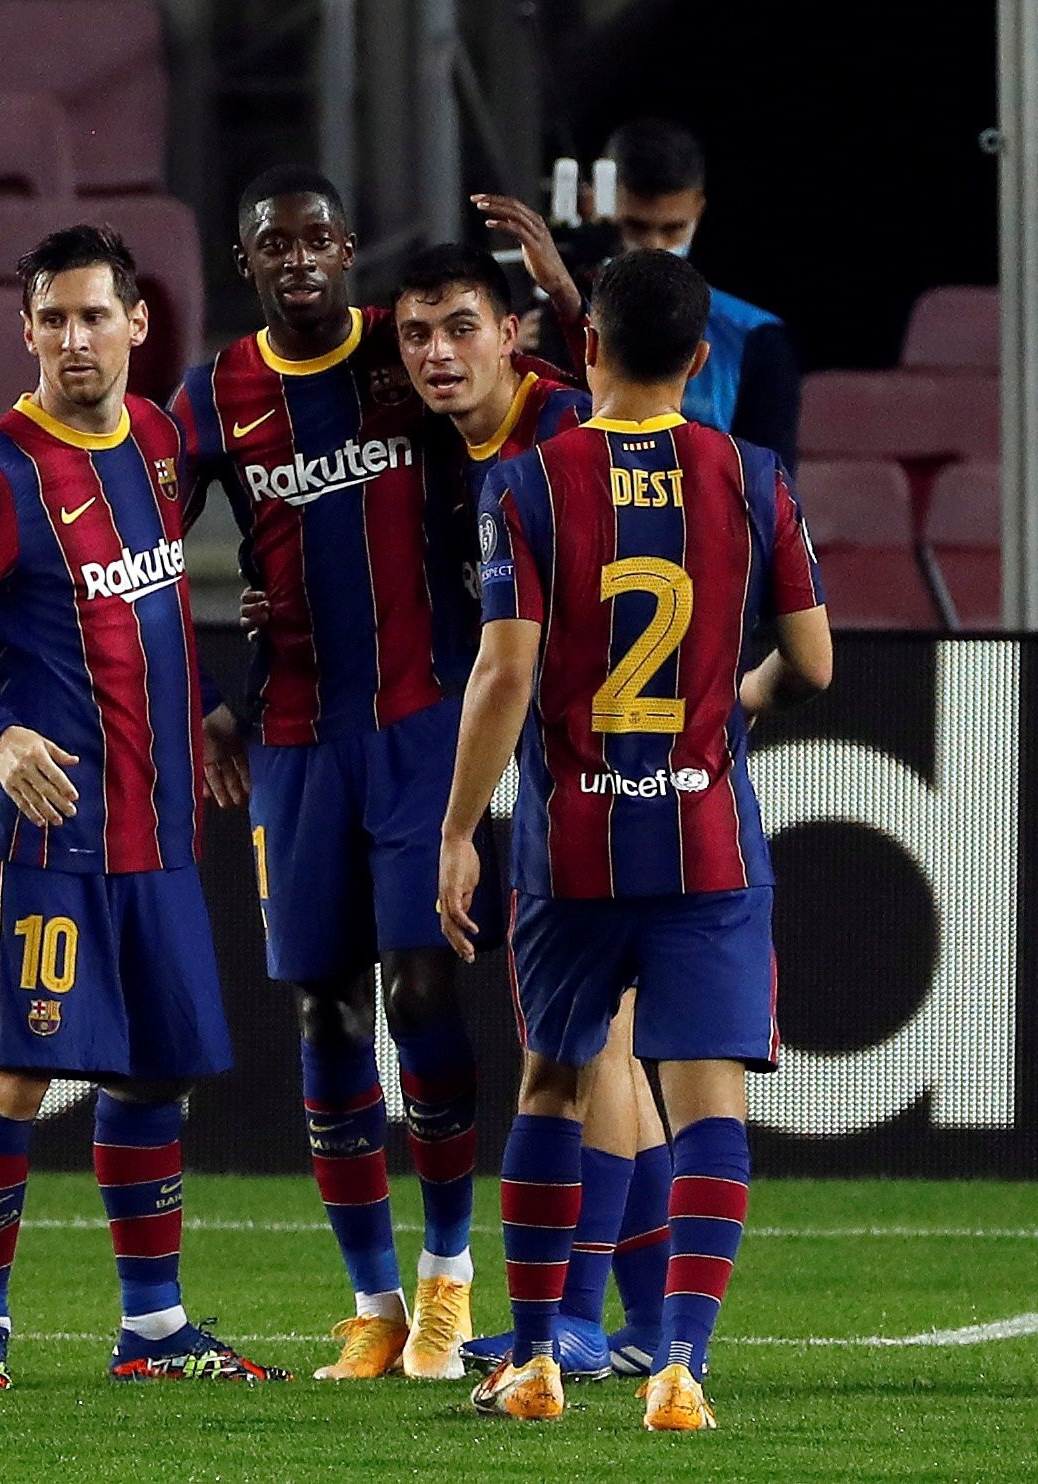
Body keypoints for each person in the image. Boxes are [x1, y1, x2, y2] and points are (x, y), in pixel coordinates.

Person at [170, 169, 582, 1383]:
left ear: (345, 249)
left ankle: (452, 1276)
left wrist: (557, 295)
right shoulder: (215, 397)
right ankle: (374, 1300)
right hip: (296, 741)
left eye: (316, 241)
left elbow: (571, 396)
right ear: (245, 262)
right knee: (326, 1008)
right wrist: (209, 698)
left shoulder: (404, 366)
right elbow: (139, 550)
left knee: (420, 988)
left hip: (423, 723)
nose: (298, 261)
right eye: (271, 245)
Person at [439, 249, 831, 1428]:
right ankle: (680, 1364)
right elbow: (813, 663)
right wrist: (740, 702)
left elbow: (505, 669)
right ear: (703, 360)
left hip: (573, 842)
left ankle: (540, 1358)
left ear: (586, 349)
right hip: (706, 837)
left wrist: (459, 828)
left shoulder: (525, 482)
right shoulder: (755, 476)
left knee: (554, 1082)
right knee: (705, 1097)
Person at [0, 225, 285, 1391]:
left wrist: (213, 706)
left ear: (137, 325)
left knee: (156, 1071)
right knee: (16, 1072)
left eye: (93, 316)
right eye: (52, 319)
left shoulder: (163, 442)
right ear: (26, 331)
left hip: (158, 829)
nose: (74, 339)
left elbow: (156, 611)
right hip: (47, 835)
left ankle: (154, 1328)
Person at [392, 244, 675, 1383]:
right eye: (417, 335)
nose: (438, 353)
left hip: (602, 763)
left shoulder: (562, 428)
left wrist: (461, 823)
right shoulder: (466, 453)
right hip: (618, 762)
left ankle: (569, 1320)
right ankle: (645, 1322)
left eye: (463, 326)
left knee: (584, 1044)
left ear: (517, 335)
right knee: (616, 1053)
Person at [605, 118, 798, 471]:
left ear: (698, 208)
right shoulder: (556, 325)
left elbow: (771, 494)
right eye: (635, 226)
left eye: (673, 229)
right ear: (598, 205)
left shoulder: (756, 340)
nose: (655, 248)